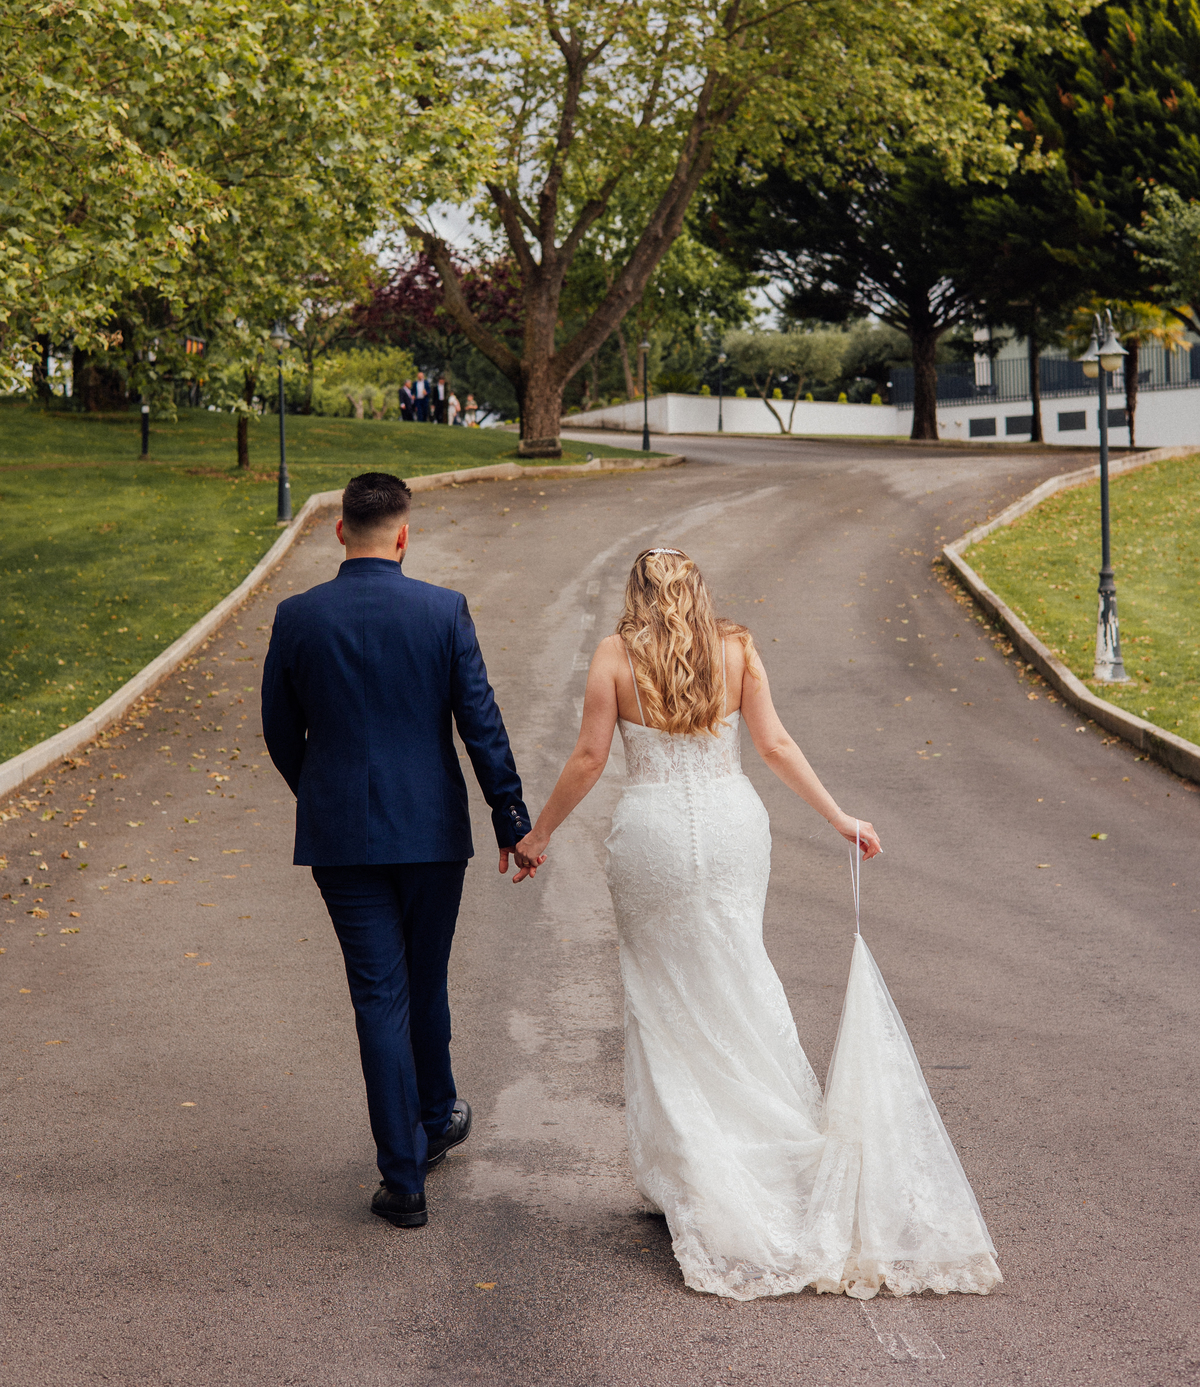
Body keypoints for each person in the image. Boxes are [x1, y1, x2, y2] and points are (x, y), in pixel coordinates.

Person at [513, 547, 1001, 1301]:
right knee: (740, 973)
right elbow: (772, 744)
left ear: (637, 593)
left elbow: (587, 756)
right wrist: (839, 817)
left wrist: (539, 833)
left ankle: (695, 1164)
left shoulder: (615, 655)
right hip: (735, 828)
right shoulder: (737, 648)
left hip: (653, 841)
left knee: (665, 998)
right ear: (698, 589)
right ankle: (774, 1144)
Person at [261, 472, 532, 1231]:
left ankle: (407, 1170)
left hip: (341, 832)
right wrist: (509, 814)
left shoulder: (298, 615)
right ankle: (436, 1113)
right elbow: (480, 720)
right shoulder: (443, 610)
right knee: (425, 974)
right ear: (404, 535)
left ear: (340, 531)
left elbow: (280, 730)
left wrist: (320, 787)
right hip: (433, 830)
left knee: (379, 992)